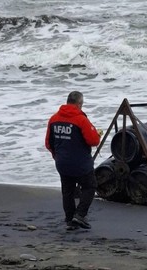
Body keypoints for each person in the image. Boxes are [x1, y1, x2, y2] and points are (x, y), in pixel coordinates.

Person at [45, 91, 102, 230]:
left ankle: (70, 219)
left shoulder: (54, 119)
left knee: (68, 191)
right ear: (79, 104)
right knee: (90, 186)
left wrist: (56, 156)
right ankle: (80, 215)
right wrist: (98, 134)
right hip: (81, 164)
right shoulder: (81, 120)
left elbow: (48, 143)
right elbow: (93, 140)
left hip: (63, 163)